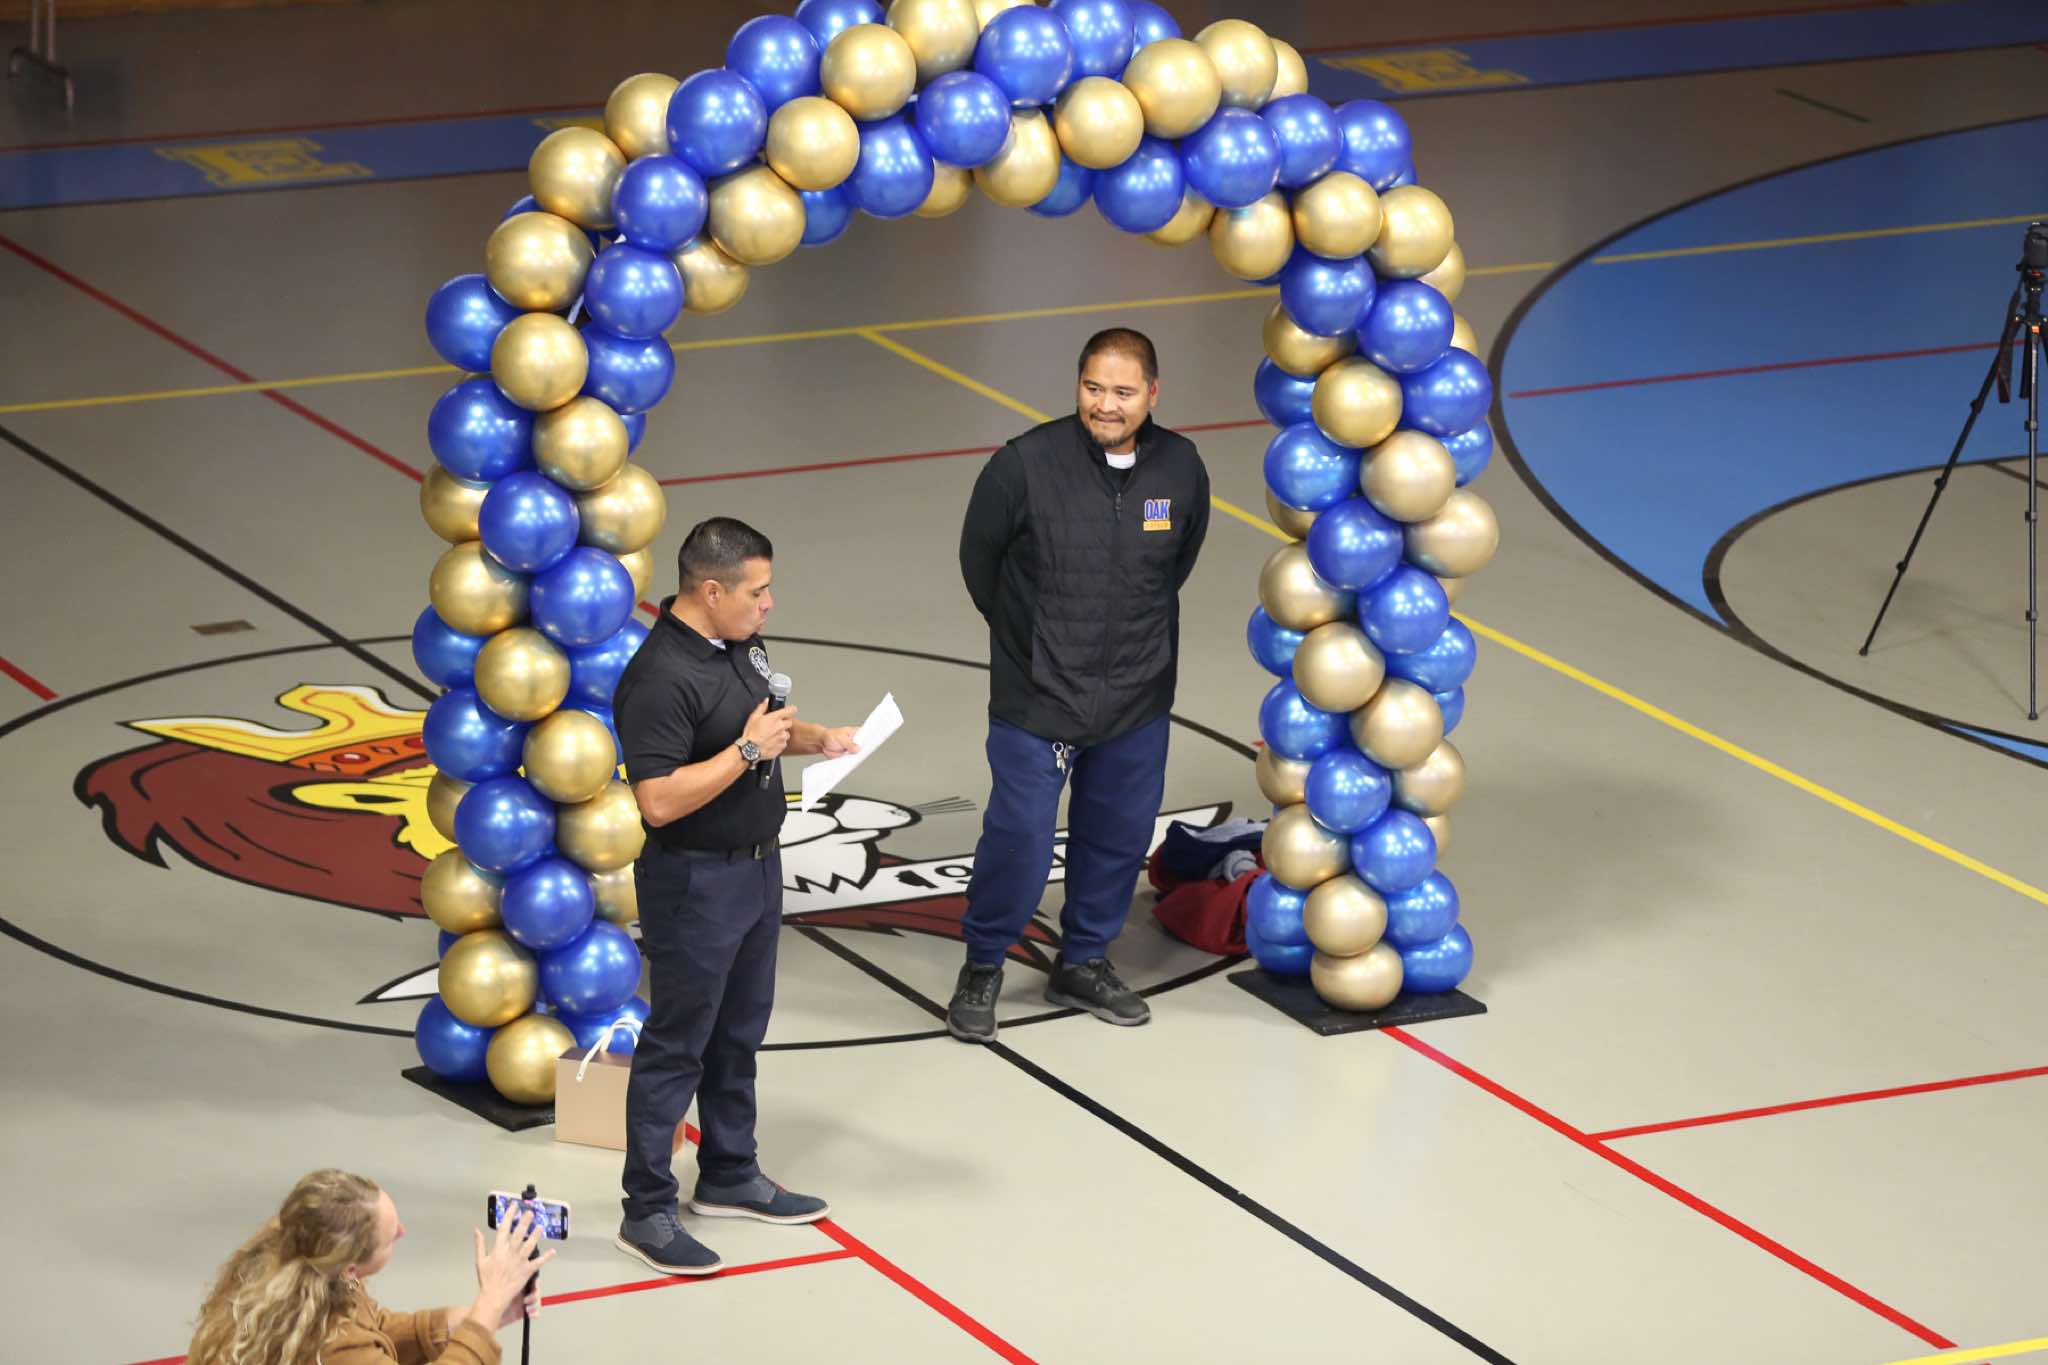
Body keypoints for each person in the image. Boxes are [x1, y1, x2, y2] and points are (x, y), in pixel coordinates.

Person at [611, 516, 861, 1276]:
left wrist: (817, 737)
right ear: (711, 591)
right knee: (677, 1044)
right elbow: (658, 800)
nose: (769, 604)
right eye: (757, 592)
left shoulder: (742, 645)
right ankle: (646, 1209)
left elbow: (763, 725)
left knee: (739, 1031)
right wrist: (748, 750)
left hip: (756, 869)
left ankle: (727, 1172)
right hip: (694, 880)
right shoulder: (658, 677)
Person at [949, 327, 1211, 1043]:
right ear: (1078, 386)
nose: (1106, 404)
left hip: (1138, 694)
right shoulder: (1023, 465)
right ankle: (983, 963)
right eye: (1094, 388)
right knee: (1020, 838)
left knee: (1119, 836)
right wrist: (1033, 640)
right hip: (1038, 695)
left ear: (1152, 393)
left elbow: (1176, 563)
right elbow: (980, 563)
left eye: (1123, 392)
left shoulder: (1181, 467)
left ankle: (1085, 959)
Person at [187, 1169, 549, 1365]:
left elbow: (375, 1329)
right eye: (390, 1238)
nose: (402, 1231)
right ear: (350, 1269)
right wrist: (489, 1303)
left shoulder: (302, 1260)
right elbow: (355, 1346)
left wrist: (478, 1317)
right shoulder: (331, 1345)